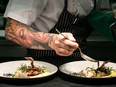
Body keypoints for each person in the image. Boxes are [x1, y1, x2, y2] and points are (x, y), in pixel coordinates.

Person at [3, 0, 112, 66]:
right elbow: (11, 30)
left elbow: (103, 13)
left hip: (81, 63)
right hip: (41, 63)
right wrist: (51, 41)